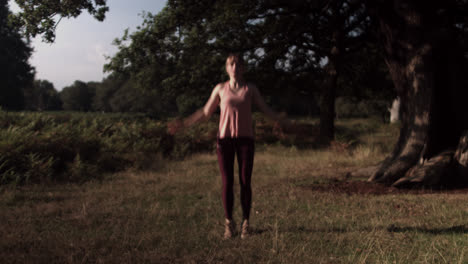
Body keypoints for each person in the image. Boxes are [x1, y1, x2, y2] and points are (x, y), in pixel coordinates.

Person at [168, 53, 291, 239]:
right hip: (224, 141)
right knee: (227, 182)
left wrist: (281, 119)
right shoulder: (220, 89)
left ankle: (246, 224)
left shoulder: (251, 89)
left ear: (243, 68)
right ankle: (229, 224)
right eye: (231, 64)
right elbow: (205, 112)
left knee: (245, 182)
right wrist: (184, 124)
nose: (235, 68)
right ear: (227, 68)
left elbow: (265, 109)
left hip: (245, 141)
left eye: (238, 65)